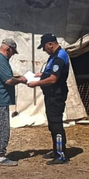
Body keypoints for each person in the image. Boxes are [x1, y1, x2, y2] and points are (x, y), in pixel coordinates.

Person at [28, 33, 70, 165]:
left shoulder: (59, 57)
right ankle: (56, 150)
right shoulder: (54, 56)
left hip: (56, 96)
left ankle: (61, 154)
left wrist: (36, 83)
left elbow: (53, 79)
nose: (44, 50)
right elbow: (50, 73)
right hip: (51, 96)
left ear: (50, 44)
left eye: (44, 47)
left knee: (56, 125)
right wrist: (41, 75)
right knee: (52, 124)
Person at [0, 38, 27, 166]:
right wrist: (21, 80)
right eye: (13, 52)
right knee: (3, 128)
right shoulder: (0, 60)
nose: (12, 55)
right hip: (0, 99)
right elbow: (8, 80)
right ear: (8, 49)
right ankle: (1, 156)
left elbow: (5, 77)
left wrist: (17, 78)